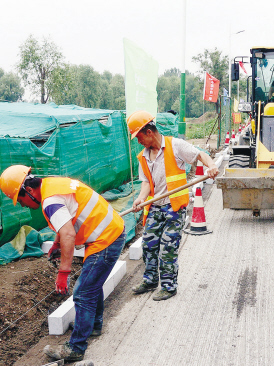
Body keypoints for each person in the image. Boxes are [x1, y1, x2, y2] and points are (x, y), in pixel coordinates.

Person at [0, 165, 126, 363]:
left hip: (106, 239)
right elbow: (68, 218)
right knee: (91, 285)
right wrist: (57, 242)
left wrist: (63, 272)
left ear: (29, 191)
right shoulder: (51, 184)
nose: (22, 205)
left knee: (82, 293)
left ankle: (75, 348)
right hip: (108, 233)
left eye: (20, 199)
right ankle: (94, 324)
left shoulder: (50, 201)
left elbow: (69, 232)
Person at [127, 111, 219, 301]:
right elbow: (146, 182)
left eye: (139, 136)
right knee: (149, 245)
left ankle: (169, 287)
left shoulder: (175, 145)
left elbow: (200, 155)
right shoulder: (143, 157)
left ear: (149, 132)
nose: (138, 141)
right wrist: (140, 199)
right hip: (154, 207)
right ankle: (150, 280)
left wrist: (210, 166)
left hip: (173, 207)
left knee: (168, 248)